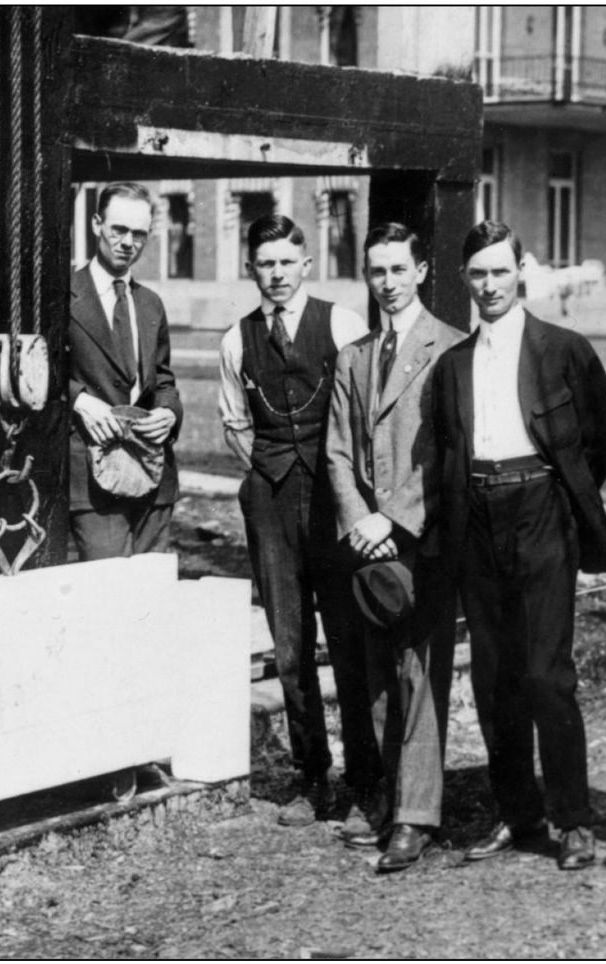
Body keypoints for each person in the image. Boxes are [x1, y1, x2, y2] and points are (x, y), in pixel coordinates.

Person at [433, 220, 606, 871]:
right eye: (478, 274)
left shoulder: (563, 349)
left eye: (500, 272)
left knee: (547, 674)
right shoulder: (452, 365)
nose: (489, 285)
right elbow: (441, 451)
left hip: (541, 511)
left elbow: (598, 444)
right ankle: (518, 814)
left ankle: (573, 821)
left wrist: (560, 502)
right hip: (476, 521)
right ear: (466, 280)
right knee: (495, 678)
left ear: (522, 272)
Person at [218, 214, 368, 827]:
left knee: (351, 638)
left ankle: (366, 781)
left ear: (306, 264)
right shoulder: (235, 339)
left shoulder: (342, 323)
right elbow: (233, 422)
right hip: (273, 502)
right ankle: (314, 777)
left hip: (336, 497)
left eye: (286, 262)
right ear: (250, 268)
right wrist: (266, 473)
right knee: (289, 644)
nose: (276, 274)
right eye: (265, 264)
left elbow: (365, 413)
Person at [323, 223, 465, 869]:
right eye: (377, 271)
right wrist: (359, 518)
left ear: (422, 271)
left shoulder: (449, 348)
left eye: (398, 270)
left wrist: (395, 519)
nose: (388, 282)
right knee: (379, 673)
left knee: (420, 675)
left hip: (420, 538)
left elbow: (446, 452)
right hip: (366, 541)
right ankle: (388, 798)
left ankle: (416, 815)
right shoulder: (354, 355)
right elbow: (337, 449)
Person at [68, 182, 182, 560]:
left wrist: (168, 412)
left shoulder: (151, 304)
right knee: (108, 595)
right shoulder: (63, 294)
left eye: (139, 234)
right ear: (97, 223)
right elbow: (40, 372)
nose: (127, 242)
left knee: (151, 594)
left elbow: (163, 379)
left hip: (153, 474)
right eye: (118, 230)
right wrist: (78, 399)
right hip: (92, 478)